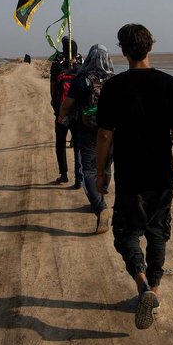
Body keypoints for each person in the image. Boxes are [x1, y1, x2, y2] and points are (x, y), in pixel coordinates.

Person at [94, 23, 173, 331]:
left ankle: (142, 284)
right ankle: (155, 289)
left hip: (130, 176)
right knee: (157, 232)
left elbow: (105, 135)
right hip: (162, 175)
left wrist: (101, 171)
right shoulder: (170, 84)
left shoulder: (113, 87)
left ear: (123, 51)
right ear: (150, 47)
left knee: (126, 233)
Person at [58, 44, 114, 232]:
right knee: (105, 166)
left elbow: (67, 104)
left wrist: (61, 116)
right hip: (110, 132)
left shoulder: (81, 78)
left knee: (88, 170)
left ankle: (100, 207)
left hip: (87, 130)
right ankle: (99, 198)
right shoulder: (114, 79)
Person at [49, 37, 82, 185]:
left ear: (63, 50)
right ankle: (79, 178)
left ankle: (63, 175)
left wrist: (57, 108)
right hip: (77, 114)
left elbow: (52, 90)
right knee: (78, 145)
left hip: (61, 113)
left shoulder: (56, 67)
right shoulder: (81, 68)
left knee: (60, 144)